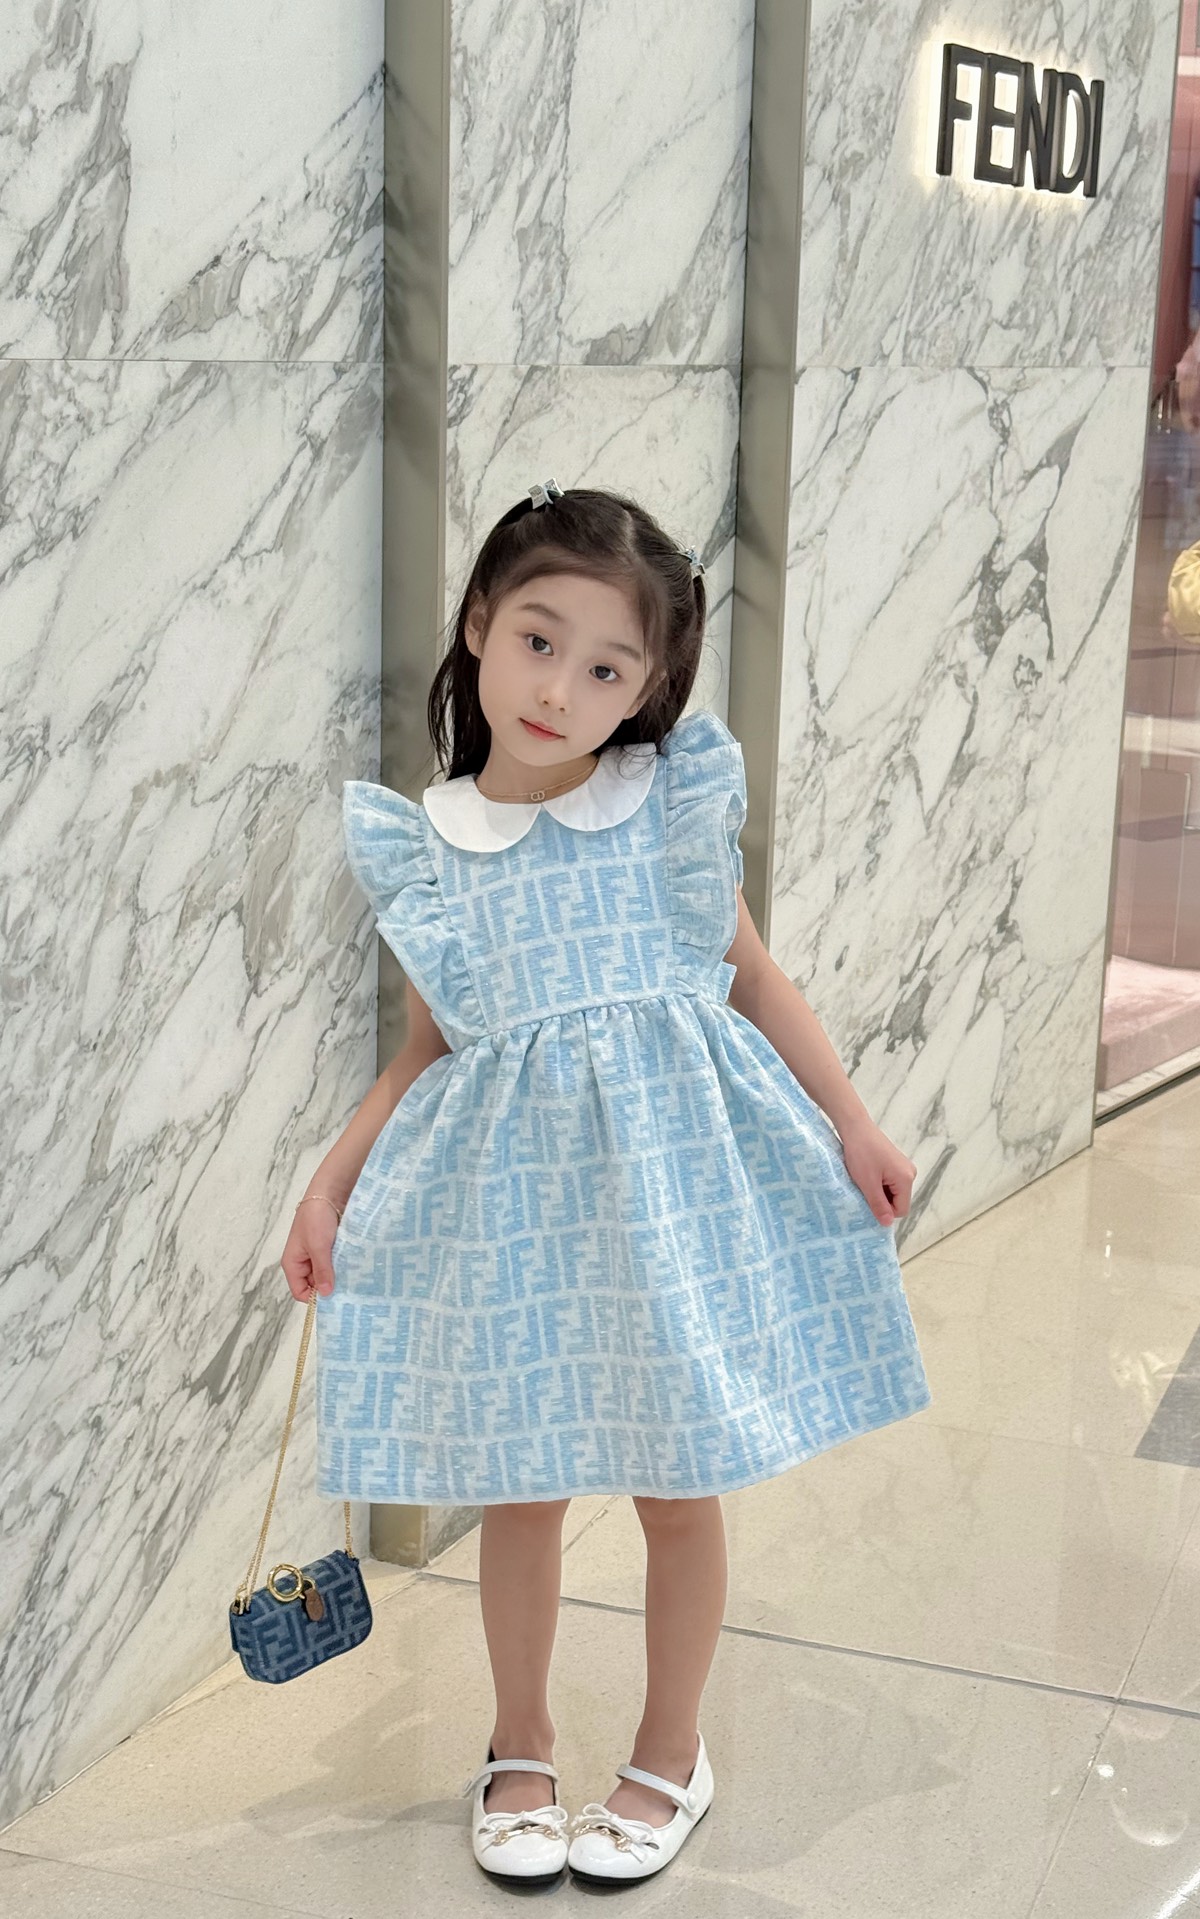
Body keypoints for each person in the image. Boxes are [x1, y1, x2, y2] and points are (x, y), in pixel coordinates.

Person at [279, 480, 933, 1885]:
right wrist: (329, 1188)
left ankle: (671, 1749)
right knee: (520, 1489)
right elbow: (426, 1052)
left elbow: (754, 977)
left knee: (676, 1484)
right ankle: (519, 1744)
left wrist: (855, 1123)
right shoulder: (432, 851)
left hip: (670, 1201)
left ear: (646, 689)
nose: (558, 691)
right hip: (519, 1217)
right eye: (537, 641)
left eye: (604, 670)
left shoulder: (662, 807)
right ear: (477, 624)